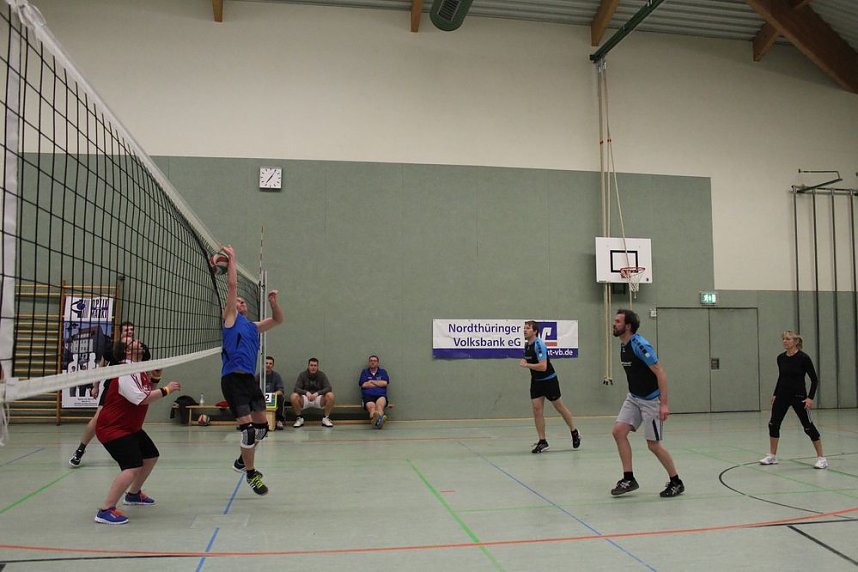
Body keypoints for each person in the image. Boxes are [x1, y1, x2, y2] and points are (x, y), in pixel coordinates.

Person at [93, 338, 180, 525]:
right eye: (132, 341)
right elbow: (140, 398)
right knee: (132, 467)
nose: (139, 341)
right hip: (113, 428)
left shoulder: (138, 369)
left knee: (150, 455)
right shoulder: (125, 371)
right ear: (126, 351)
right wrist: (167, 389)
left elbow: (147, 391)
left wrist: (155, 379)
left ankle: (133, 494)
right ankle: (105, 509)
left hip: (130, 427)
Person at [221, 245, 284, 496]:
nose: (239, 302)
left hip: (249, 380)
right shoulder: (229, 320)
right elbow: (232, 288)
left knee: (261, 430)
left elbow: (278, 320)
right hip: (232, 381)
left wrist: (273, 303)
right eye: (237, 301)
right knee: (247, 430)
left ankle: (241, 459)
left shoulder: (253, 326)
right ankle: (251, 474)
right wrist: (233, 259)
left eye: (242, 302)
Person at [611, 309, 684, 497]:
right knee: (619, 432)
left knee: (654, 445)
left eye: (618, 321)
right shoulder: (623, 344)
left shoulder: (640, 345)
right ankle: (629, 478)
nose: (614, 324)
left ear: (628, 326)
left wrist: (664, 404)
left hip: (651, 400)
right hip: (634, 397)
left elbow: (660, 372)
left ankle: (676, 481)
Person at [69, 321, 154, 468]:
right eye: (126, 330)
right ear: (120, 332)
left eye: (132, 329)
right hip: (113, 388)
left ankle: (130, 450)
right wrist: (95, 386)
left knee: (130, 420)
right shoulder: (113, 348)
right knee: (98, 418)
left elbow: (146, 367)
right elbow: (101, 367)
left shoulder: (140, 348)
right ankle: (80, 449)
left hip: (132, 387)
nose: (130, 332)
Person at [759, 330, 827, 469]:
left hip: (799, 397)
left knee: (808, 427)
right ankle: (772, 456)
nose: (785, 341)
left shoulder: (803, 358)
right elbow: (781, 377)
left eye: (788, 339)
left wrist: (810, 397)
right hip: (782, 396)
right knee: (773, 424)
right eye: (784, 339)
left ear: (796, 342)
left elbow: (814, 379)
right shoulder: (780, 358)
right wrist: (775, 393)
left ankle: (821, 458)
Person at [519, 320, 581, 453]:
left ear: (535, 331)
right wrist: (527, 362)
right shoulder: (527, 345)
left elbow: (543, 366)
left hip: (549, 381)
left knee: (559, 407)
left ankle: (574, 431)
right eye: (524, 328)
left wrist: (527, 365)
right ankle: (542, 441)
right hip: (536, 381)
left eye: (528, 328)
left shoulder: (539, 344)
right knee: (537, 409)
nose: (525, 330)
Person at [290, 357, 335, 428]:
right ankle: (299, 418)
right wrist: (306, 392)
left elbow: (329, 388)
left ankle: (325, 418)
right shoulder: (302, 375)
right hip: (305, 399)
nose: (313, 367)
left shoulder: (322, 375)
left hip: (318, 398)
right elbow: (296, 388)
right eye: (311, 365)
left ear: (317, 366)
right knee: (293, 396)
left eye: (315, 365)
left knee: (331, 395)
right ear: (308, 366)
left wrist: (317, 393)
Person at [359, 354, 390, 429]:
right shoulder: (364, 372)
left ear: (377, 363)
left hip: (380, 395)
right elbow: (363, 385)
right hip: (367, 396)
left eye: (374, 361)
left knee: (379, 407)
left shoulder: (383, 371)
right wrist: (378, 383)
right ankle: (379, 421)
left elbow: (385, 383)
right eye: (371, 361)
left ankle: (376, 422)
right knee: (372, 408)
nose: (373, 362)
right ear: (369, 362)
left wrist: (371, 381)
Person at [256, 355, 286, 430]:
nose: (268, 365)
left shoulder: (276, 376)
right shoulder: (259, 376)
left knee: (281, 398)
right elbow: (253, 388)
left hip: (273, 399)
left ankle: (279, 420)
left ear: (273, 365)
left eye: (270, 363)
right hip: (261, 398)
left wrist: (273, 395)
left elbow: (281, 390)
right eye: (266, 363)